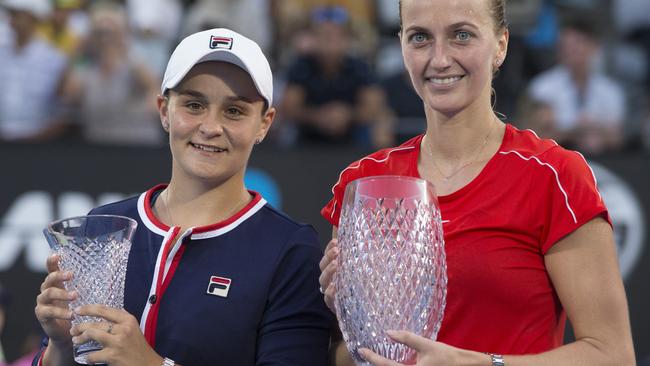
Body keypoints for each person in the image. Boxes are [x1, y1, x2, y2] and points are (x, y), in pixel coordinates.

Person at [318, 1, 635, 365]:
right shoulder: (365, 182)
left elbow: (612, 354)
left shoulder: (554, 176)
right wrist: (349, 313)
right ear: (402, 45)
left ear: (500, 45)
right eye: (420, 37)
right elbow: (345, 356)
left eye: (462, 35)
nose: (439, 59)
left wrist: (479, 364)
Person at [33, 28, 332, 366]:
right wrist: (59, 346)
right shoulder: (104, 226)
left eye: (234, 111)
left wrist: (151, 364)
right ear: (163, 110)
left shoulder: (290, 249)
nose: (210, 126)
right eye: (193, 104)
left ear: (264, 123)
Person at [523, 16, 626, 155]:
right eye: (566, 45)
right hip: (554, 161)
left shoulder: (610, 90)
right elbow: (537, 136)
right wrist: (579, 130)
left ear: (594, 47)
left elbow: (617, 138)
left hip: (602, 162)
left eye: (578, 43)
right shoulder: (542, 87)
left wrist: (587, 130)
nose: (572, 50)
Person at [0, 0, 70, 142]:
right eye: (11, 13)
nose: (11, 18)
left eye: (17, 14)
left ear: (33, 18)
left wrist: (36, 138)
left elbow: (62, 110)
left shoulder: (55, 59)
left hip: (37, 146)